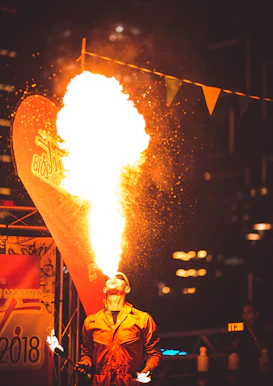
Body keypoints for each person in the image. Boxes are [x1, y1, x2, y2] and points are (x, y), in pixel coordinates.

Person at [75, 271, 162, 385]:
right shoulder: (91, 321)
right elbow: (87, 353)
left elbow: (154, 353)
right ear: (104, 289)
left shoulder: (142, 319)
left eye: (120, 278)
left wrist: (147, 370)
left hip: (130, 382)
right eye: (109, 277)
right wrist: (85, 363)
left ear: (127, 289)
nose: (113, 278)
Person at [231, 301, 269, 382]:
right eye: (244, 313)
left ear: (256, 315)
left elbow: (264, 350)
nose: (246, 316)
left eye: (249, 313)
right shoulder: (241, 330)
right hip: (243, 373)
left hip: (259, 373)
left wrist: (251, 331)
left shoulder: (262, 329)